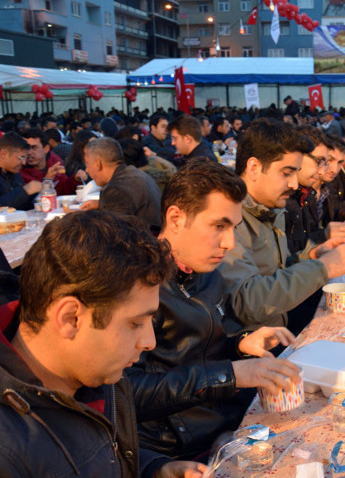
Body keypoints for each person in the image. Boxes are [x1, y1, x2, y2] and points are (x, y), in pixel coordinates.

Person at [0, 210, 214, 478]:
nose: (148, 342)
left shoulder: (90, 367)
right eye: (135, 324)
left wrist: (150, 473)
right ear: (70, 318)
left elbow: (90, 461)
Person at [127, 159, 300, 458]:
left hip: (223, 420)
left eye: (233, 227)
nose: (230, 243)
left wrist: (243, 342)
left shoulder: (205, 273)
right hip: (174, 449)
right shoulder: (136, 285)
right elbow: (128, 392)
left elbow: (210, 344)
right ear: (176, 218)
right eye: (219, 226)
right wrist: (230, 374)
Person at [221, 119, 345, 331]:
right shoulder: (229, 218)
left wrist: (312, 256)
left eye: (296, 173)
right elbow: (247, 302)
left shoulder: (268, 209)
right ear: (254, 168)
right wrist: (322, 268)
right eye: (286, 173)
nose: (294, 184)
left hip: (279, 325)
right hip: (252, 347)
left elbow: (277, 270)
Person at [81, 137, 162, 232]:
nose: (86, 170)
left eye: (87, 164)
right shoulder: (135, 173)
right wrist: (101, 204)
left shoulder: (116, 190)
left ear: (97, 164)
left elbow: (113, 236)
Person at [20, 128, 79, 195]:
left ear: (46, 149)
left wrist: (75, 180)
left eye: (34, 147)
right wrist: (47, 181)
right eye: (26, 148)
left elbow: (64, 189)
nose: (29, 152)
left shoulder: (55, 161)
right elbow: (28, 201)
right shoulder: (19, 169)